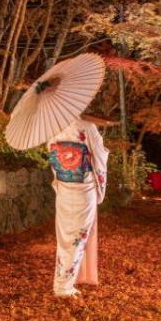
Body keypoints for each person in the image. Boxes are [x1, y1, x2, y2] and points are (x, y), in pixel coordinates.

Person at [48, 114, 109, 298]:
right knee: (78, 237)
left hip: (65, 186)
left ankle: (64, 281)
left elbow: (54, 159)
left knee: (65, 236)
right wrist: (101, 187)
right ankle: (63, 287)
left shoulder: (52, 126)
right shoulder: (88, 126)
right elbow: (99, 156)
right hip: (84, 188)